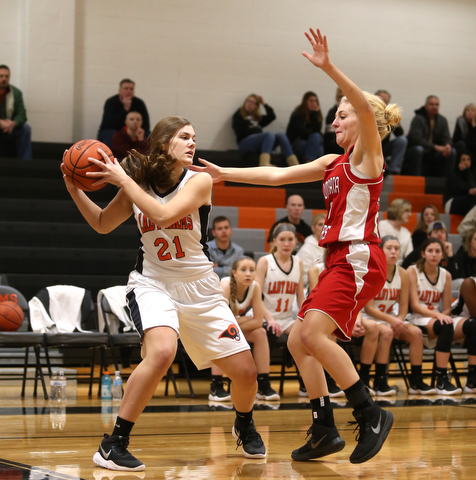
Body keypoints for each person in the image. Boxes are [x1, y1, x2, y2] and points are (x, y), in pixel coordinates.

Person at [191, 27, 398, 464]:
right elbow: (277, 177)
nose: (334, 122)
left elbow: (361, 103)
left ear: (362, 121)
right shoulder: (331, 162)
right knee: (300, 342)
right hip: (339, 260)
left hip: (360, 258)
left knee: (311, 334)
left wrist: (329, 69)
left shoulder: (368, 157)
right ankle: (324, 425)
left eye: (341, 116)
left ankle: (369, 411)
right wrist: (227, 173)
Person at [61, 116, 266, 471]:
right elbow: (101, 224)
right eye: (184, 137)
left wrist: (124, 180)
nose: (192, 143)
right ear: (163, 143)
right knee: (161, 353)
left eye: (194, 137)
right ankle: (114, 443)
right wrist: (73, 187)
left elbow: (164, 214)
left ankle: (244, 421)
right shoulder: (137, 185)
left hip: (200, 288)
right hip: (152, 283)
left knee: (246, 373)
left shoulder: (200, 181)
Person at [361, 236, 435, 395]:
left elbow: (403, 308)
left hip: (390, 318)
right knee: (387, 332)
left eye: (396, 248)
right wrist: (392, 321)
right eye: (389, 248)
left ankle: (416, 381)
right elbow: (369, 308)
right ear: (380, 251)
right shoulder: (372, 271)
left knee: (415, 333)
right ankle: (379, 381)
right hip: (369, 318)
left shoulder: (402, 274)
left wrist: (398, 321)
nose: (393, 252)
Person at [209, 257, 282, 403]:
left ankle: (263, 383)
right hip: (213, 326)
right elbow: (219, 322)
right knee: (220, 334)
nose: (248, 273)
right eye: (243, 270)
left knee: (260, 333)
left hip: (231, 327)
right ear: (234, 273)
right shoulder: (226, 286)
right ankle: (216, 386)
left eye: (251, 270)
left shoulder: (254, 287)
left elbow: (258, 321)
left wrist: (237, 322)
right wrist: (243, 320)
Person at [407, 238, 467, 395]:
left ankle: (445, 380)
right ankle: (441, 378)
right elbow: (415, 306)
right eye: (430, 251)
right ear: (423, 253)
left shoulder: (446, 275)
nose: (433, 254)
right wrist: (438, 316)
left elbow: (447, 309)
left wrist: (440, 316)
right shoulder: (412, 271)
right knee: (445, 325)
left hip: (435, 319)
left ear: (443, 255)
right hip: (415, 317)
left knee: (454, 324)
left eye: (437, 251)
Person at [256, 223, 306, 396]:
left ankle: (305, 383)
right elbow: (256, 298)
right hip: (264, 317)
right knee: (268, 332)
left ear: (296, 242)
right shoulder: (264, 262)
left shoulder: (298, 262)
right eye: (282, 240)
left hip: (285, 319)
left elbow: (300, 296)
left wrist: (305, 317)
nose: (286, 243)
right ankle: (262, 384)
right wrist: (270, 319)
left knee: (307, 334)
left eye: (290, 240)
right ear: (275, 241)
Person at [232, 94, 299, 167]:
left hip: (259, 143)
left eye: (253, 103)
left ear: (256, 106)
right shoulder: (238, 115)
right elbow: (239, 132)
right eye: (249, 101)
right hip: (245, 142)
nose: (250, 104)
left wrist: (264, 104)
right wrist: (256, 129)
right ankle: (264, 163)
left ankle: (294, 165)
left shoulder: (257, 118)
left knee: (281, 135)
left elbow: (272, 116)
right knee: (269, 134)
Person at [404, 95, 456, 177]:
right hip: (416, 150)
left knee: (452, 152)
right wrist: (436, 147)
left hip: (433, 152)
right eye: (431, 104)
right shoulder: (418, 118)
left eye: (437, 104)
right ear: (425, 106)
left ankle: (447, 182)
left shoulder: (442, 120)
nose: (434, 107)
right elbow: (416, 139)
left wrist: (448, 146)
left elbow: (447, 137)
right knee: (419, 149)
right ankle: (416, 180)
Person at [98, 79, 150, 149]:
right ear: (120, 91)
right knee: (111, 134)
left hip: (133, 130)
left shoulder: (139, 103)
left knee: (149, 134)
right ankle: (109, 158)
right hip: (112, 131)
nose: (129, 91)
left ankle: (149, 158)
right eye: (126, 88)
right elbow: (109, 124)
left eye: (131, 89)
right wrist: (125, 109)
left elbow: (146, 124)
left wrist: (136, 130)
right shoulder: (111, 102)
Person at [0, 65, 32, 160]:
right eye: (1, 76)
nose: (4, 79)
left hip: (9, 129)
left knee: (26, 129)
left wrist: (12, 124)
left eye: (6, 76)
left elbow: (22, 114)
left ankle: (25, 166)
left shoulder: (16, 93)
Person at [375, 89, 407, 175]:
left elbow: (400, 133)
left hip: (384, 146)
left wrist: (395, 122)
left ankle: (394, 169)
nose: (382, 103)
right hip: (372, 147)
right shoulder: (369, 112)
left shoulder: (389, 114)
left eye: (385, 101)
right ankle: (385, 169)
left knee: (402, 140)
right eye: (380, 100)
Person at [286, 91, 324, 163]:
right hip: (297, 143)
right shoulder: (298, 113)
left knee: (319, 146)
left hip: (310, 143)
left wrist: (314, 114)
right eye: (311, 101)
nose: (313, 103)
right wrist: (312, 131)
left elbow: (317, 131)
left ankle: (309, 162)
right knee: (316, 143)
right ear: (305, 102)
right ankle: (311, 164)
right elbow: (302, 133)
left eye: (315, 101)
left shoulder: (316, 115)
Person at [379, 198, 413, 264]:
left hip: (400, 267)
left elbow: (409, 255)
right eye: (407, 211)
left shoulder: (406, 232)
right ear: (397, 211)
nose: (410, 214)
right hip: (383, 264)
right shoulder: (382, 225)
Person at [297, 213, 326, 288]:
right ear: (313, 228)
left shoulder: (331, 247)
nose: (323, 227)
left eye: (325, 224)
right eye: (320, 224)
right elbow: (304, 278)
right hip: (312, 288)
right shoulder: (306, 249)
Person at [444, 149, 476, 216]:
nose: (466, 162)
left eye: (468, 159)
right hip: (451, 203)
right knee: (472, 199)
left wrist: (468, 172)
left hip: (467, 203)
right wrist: (467, 171)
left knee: (472, 207)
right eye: (463, 160)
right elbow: (469, 190)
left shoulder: (471, 174)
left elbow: (472, 190)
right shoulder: (453, 174)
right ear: (459, 161)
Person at [323, 87, 344, 155]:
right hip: (334, 142)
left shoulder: (353, 113)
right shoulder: (332, 112)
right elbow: (330, 135)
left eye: (345, 97)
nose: (343, 99)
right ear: (337, 98)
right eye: (341, 97)